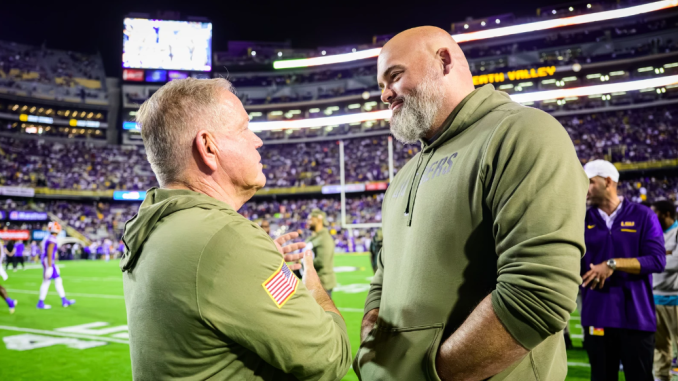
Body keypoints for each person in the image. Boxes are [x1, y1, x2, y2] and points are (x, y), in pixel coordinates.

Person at [355, 26, 587, 381]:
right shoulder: (403, 176)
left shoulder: (523, 132)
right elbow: (384, 276)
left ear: (444, 61)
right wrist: (374, 340)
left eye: (394, 76)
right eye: (380, 85)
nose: (385, 94)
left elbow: (537, 296)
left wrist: (428, 375)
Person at [121, 78, 351, 380]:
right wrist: (312, 286)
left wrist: (260, 265)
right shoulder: (228, 241)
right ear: (207, 146)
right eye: (244, 128)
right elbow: (330, 357)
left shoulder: (154, 226)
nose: (258, 140)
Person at [580, 160, 666, 381]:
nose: (584, 188)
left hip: (636, 317)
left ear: (608, 182)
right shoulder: (581, 219)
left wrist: (612, 264)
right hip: (596, 315)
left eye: (589, 182)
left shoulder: (644, 215)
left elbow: (656, 260)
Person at [651, 199, 678, 381]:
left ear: (666, 214)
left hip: (675, 299)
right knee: (659, 348)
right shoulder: (653, 233)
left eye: (655, 213)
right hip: (653, 298)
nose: (652, 217)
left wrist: (652, 261)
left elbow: (675, 262)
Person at [37, 222, 76, 309]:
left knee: (58, 280)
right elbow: (49, 253)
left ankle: (64, 300)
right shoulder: (52, 239)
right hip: (48, 261)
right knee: (47, 282)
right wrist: (50, 266)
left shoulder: (47, 237)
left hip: (47, 261)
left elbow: (42, 247)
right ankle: (41, 302)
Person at [306, 209, 336, 297]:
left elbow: (321, 262)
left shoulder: (324, 239)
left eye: (310, 219)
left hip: (322, 283)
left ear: (318, 220)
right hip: (313, 282)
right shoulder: (314, 237)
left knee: (322, 311)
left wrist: (303, 262)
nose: (308, 222)